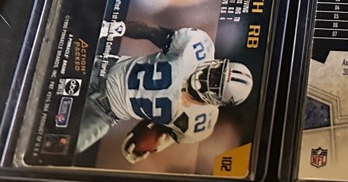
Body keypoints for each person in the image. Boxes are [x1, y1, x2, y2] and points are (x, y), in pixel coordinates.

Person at [76, 21, 253, 163]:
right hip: (101, 69)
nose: (210, 76)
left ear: (217, 101)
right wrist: (113, 28)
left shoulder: (199, 122)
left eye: (215, 83)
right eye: (217, 72)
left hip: (105, 113)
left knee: (69, 144)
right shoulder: (197, 47)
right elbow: (152, 32)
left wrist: (147, 143)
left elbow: (153, 133)